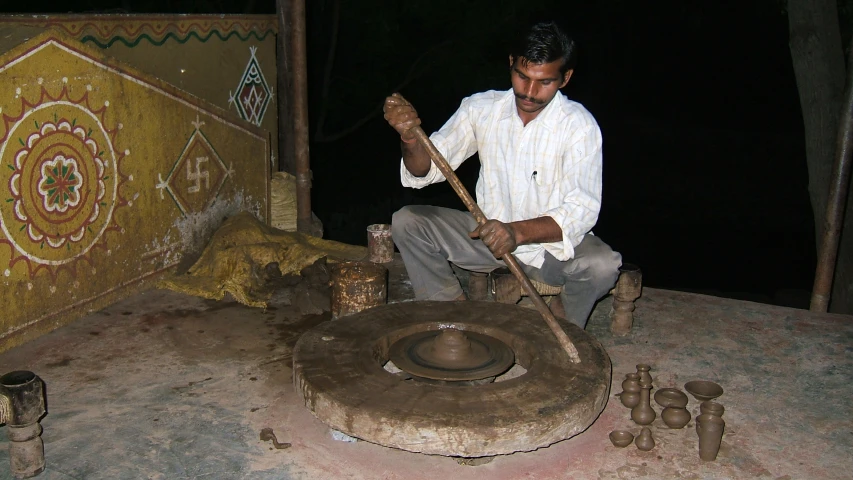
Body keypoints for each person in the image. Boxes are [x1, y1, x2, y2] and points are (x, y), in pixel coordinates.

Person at [382, 21, 622, 329]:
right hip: (487, 239)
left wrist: (516, 232)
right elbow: (425, 170)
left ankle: (565, 320)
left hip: (551, 253)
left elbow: (582, 210)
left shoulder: (579, 126)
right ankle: (451, 314)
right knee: (407, 222)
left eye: (544, 82)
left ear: (565, 78)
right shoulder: (481, 108)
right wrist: (410, 139)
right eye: (522, 77)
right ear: (511, 63)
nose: (530, 92)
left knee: (603, 265)